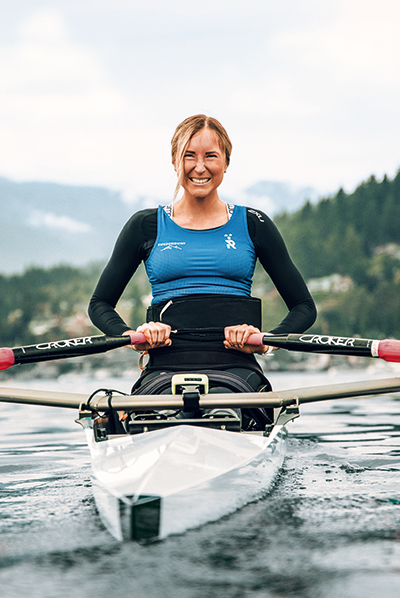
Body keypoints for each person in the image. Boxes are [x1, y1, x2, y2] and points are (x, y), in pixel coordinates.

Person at [88, 114, 316, 428]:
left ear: (226, 162)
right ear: (174, 161)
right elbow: (99, 304)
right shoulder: (145, 226)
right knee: (145, 418)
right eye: (189, 156)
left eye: (211, 156)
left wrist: (266, 341)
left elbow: (304, 307)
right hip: (162, 373)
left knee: (228, 412)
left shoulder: (254, 224)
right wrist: (131, 336)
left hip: (237, 374)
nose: (199, 167)